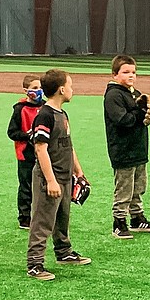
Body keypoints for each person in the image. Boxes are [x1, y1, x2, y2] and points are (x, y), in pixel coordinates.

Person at [26, 69, 91, 281]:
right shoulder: (44, 115)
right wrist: (51, 180)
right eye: (70, 86)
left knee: (62, 216)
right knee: (43, 220)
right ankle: (35, 263)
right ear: (62, 89)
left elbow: (68, 145)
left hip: (64, 175)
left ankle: (63, 251)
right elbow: (41, 148)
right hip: (49, 178)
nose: (73, 90)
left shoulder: (62, 114)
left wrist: (78, 171)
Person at [104, 54, 150, 240]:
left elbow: (139, 119)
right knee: (124, 187)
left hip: (138, 148)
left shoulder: (134, 92)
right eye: (125, 72)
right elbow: (123, 120)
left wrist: (144, 112)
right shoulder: (114, 95)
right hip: (123, 149)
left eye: (133, 72)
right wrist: (139, 112)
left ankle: (137, 218)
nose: (131, 75)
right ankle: (119, 222)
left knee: (139, 185)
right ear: (114, 74)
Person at [8, 74, 44, 230]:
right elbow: (12, 132)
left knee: (43, 184)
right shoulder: (20, 109)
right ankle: (24, 217)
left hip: (43, 152)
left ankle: (41, 214)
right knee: (26, 185)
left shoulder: (46, 107)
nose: (39, 91)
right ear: (26, 91)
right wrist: (27, 135)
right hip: (25, 153)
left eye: (40, 88)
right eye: (35, 88)